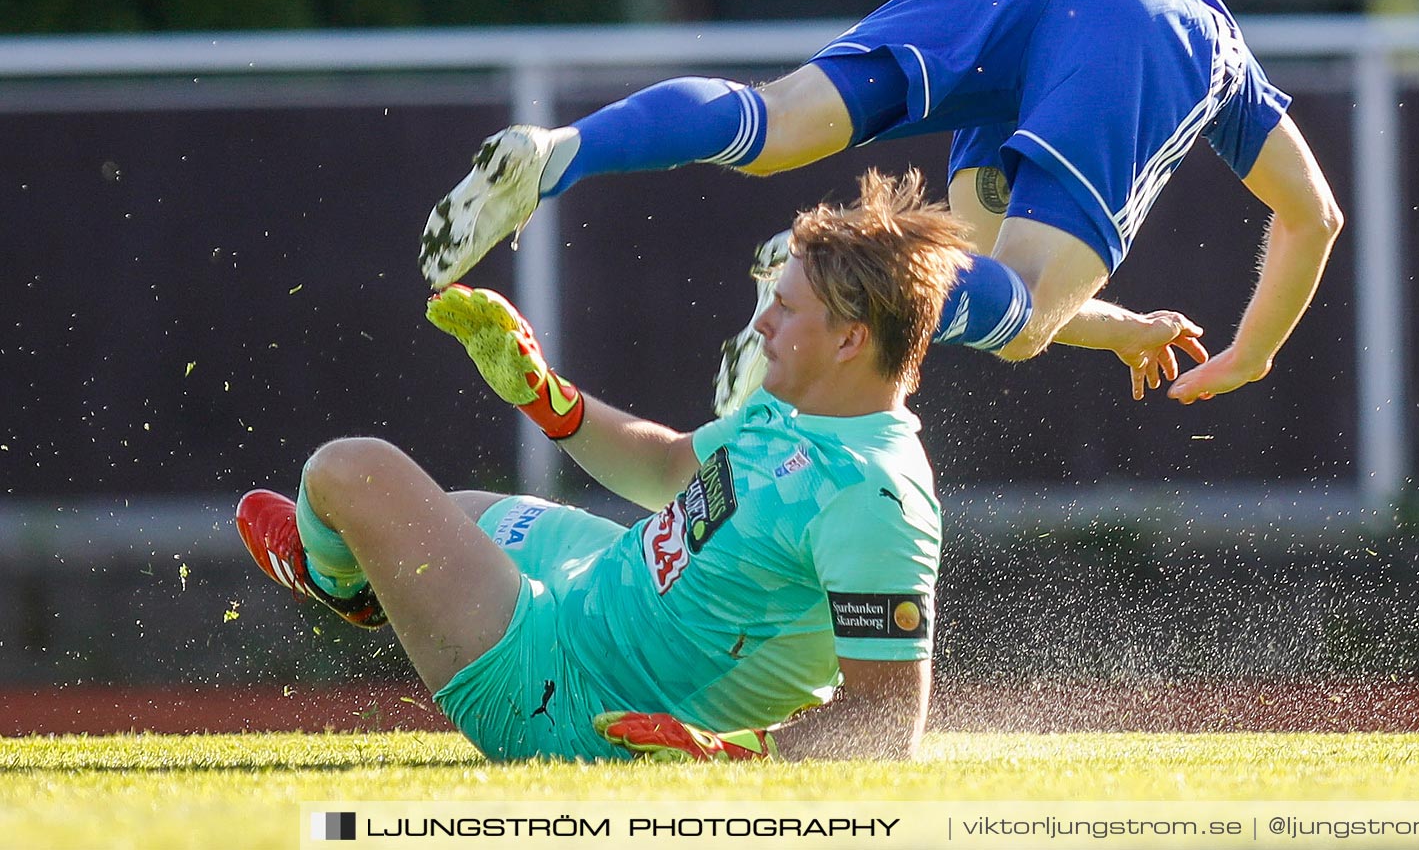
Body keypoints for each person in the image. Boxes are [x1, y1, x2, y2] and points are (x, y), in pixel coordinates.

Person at [420, 0, 1342, 403]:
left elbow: (976, 284)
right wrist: (1252, 353)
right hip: (1147, 42)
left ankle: (558, 152)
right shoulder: (1215, 49)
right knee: (1018, 327)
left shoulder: (1047, 10)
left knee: (774, 121)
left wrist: (1126, 333)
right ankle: (833, 267)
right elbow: (1314, 215)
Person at [237, 170, 966, 762]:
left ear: (851, 341)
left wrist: (744, 752)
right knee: (448, 506)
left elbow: (885, 720)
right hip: (591, 579)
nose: (764, 323)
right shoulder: (794, 408)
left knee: (349, 470)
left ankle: (332, 577)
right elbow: (669, 468)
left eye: (786, 308)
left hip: (576, 694)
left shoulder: (874, 496)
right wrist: (545, 394)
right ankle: (365, 587)